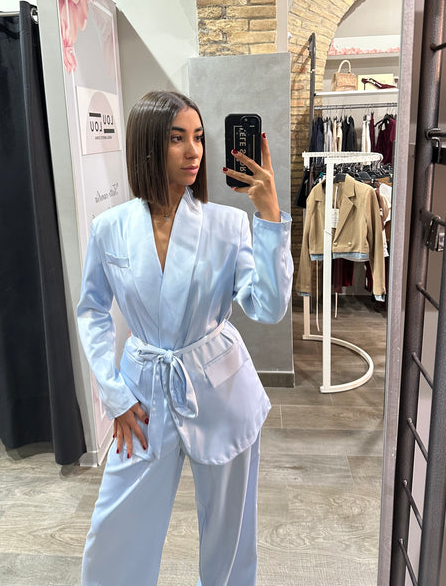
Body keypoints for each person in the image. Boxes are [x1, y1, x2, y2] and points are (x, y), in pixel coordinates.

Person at [77, 90, 293, 586]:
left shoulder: (228, 224)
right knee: (116, 531)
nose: (193, 151)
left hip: (221, 388)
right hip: (142, 395)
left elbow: (268, 307)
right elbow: (92, 311)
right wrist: (114, 394)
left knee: (229, 536)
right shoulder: (110, 228)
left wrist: (270, 216)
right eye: (177, 138)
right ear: (148, 145)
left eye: (197, 137)